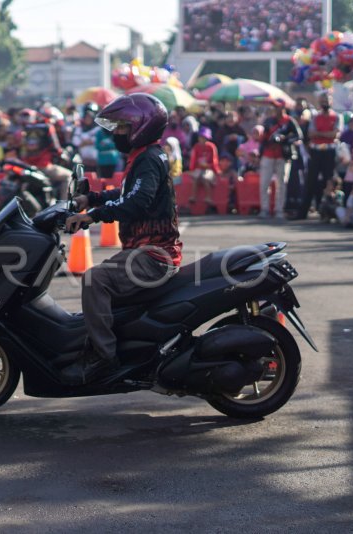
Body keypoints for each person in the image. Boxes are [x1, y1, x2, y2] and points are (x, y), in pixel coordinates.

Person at [61, 94, 182, 384]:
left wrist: (93, 215)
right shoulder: (145, 156)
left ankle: (105, 358)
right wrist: (91, 198)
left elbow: (137, 202)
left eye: (122, 127)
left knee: (94, 281)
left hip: (154, 255)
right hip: (145, 250)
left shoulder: (149, 159)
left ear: (140, 127)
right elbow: (127, 192)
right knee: (103, 281)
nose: (115, 133)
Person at [295, 92, 340, 220]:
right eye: (322, 100)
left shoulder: (336, 116)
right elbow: (311, 134)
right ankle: (302, 213)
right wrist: (326, 134)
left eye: (327, 100)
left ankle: (329, 213)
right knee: (310, 182)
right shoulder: (315, 117)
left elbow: (334, 134)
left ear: (331, 102)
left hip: (329, 153)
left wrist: (320, 134)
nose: (325, 102)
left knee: (329, 182)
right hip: (316, 152)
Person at [259, 103, 303, 219]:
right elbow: (263, 137)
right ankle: (265, 208)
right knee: (264, 183)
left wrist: (285, 139)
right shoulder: (269, 121)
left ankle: (279, 209)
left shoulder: (289, 121)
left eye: (279, 107)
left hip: (283, 155)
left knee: (282, 184)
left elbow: (299, 136)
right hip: (268, 155)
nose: (277, 109)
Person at [188, 126, 220, 209]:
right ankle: (193, 196)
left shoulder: (211, 147)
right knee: (195, 178)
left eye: (204, 138)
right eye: (201, 137)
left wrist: (213, 168)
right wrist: (192, 169)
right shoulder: (196, 147)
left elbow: (215, 160)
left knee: (205, 178)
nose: (202, 139)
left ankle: (208, 197)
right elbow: (193, 159)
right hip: (199, 168)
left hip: (209, 168)